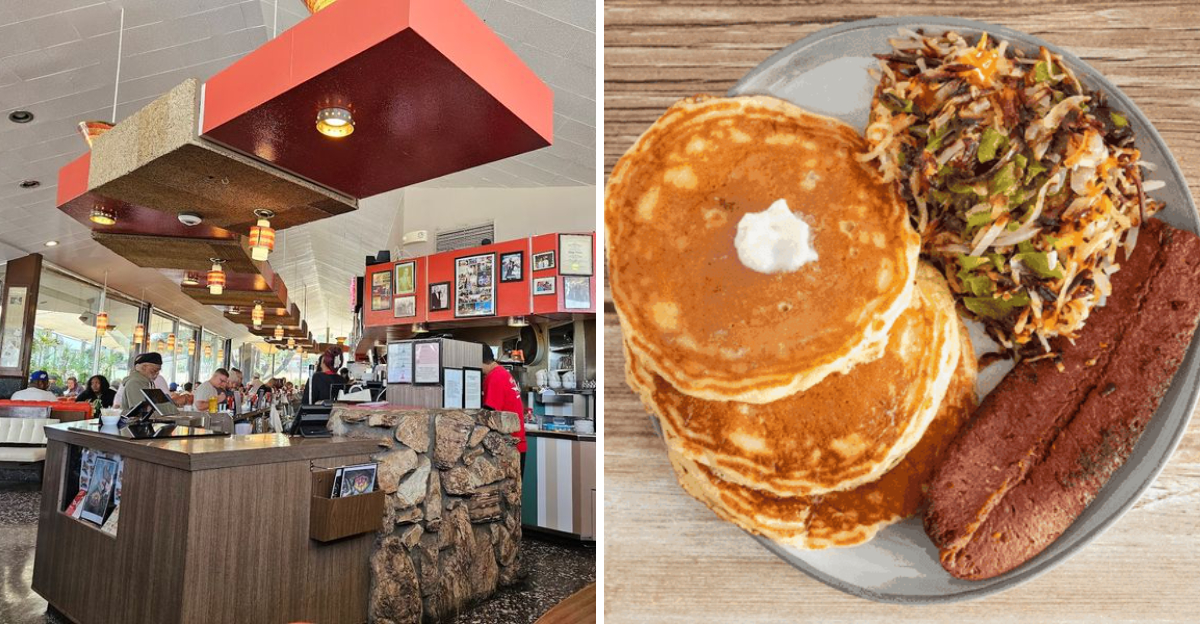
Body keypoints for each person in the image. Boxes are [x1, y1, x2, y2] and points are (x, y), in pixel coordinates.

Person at [480, 343, 528, 476]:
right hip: (517, 443)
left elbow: (490, 416)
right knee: (514, 494)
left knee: (508, 494)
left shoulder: (494, 377)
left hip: (510, 446)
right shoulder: (501, 372)